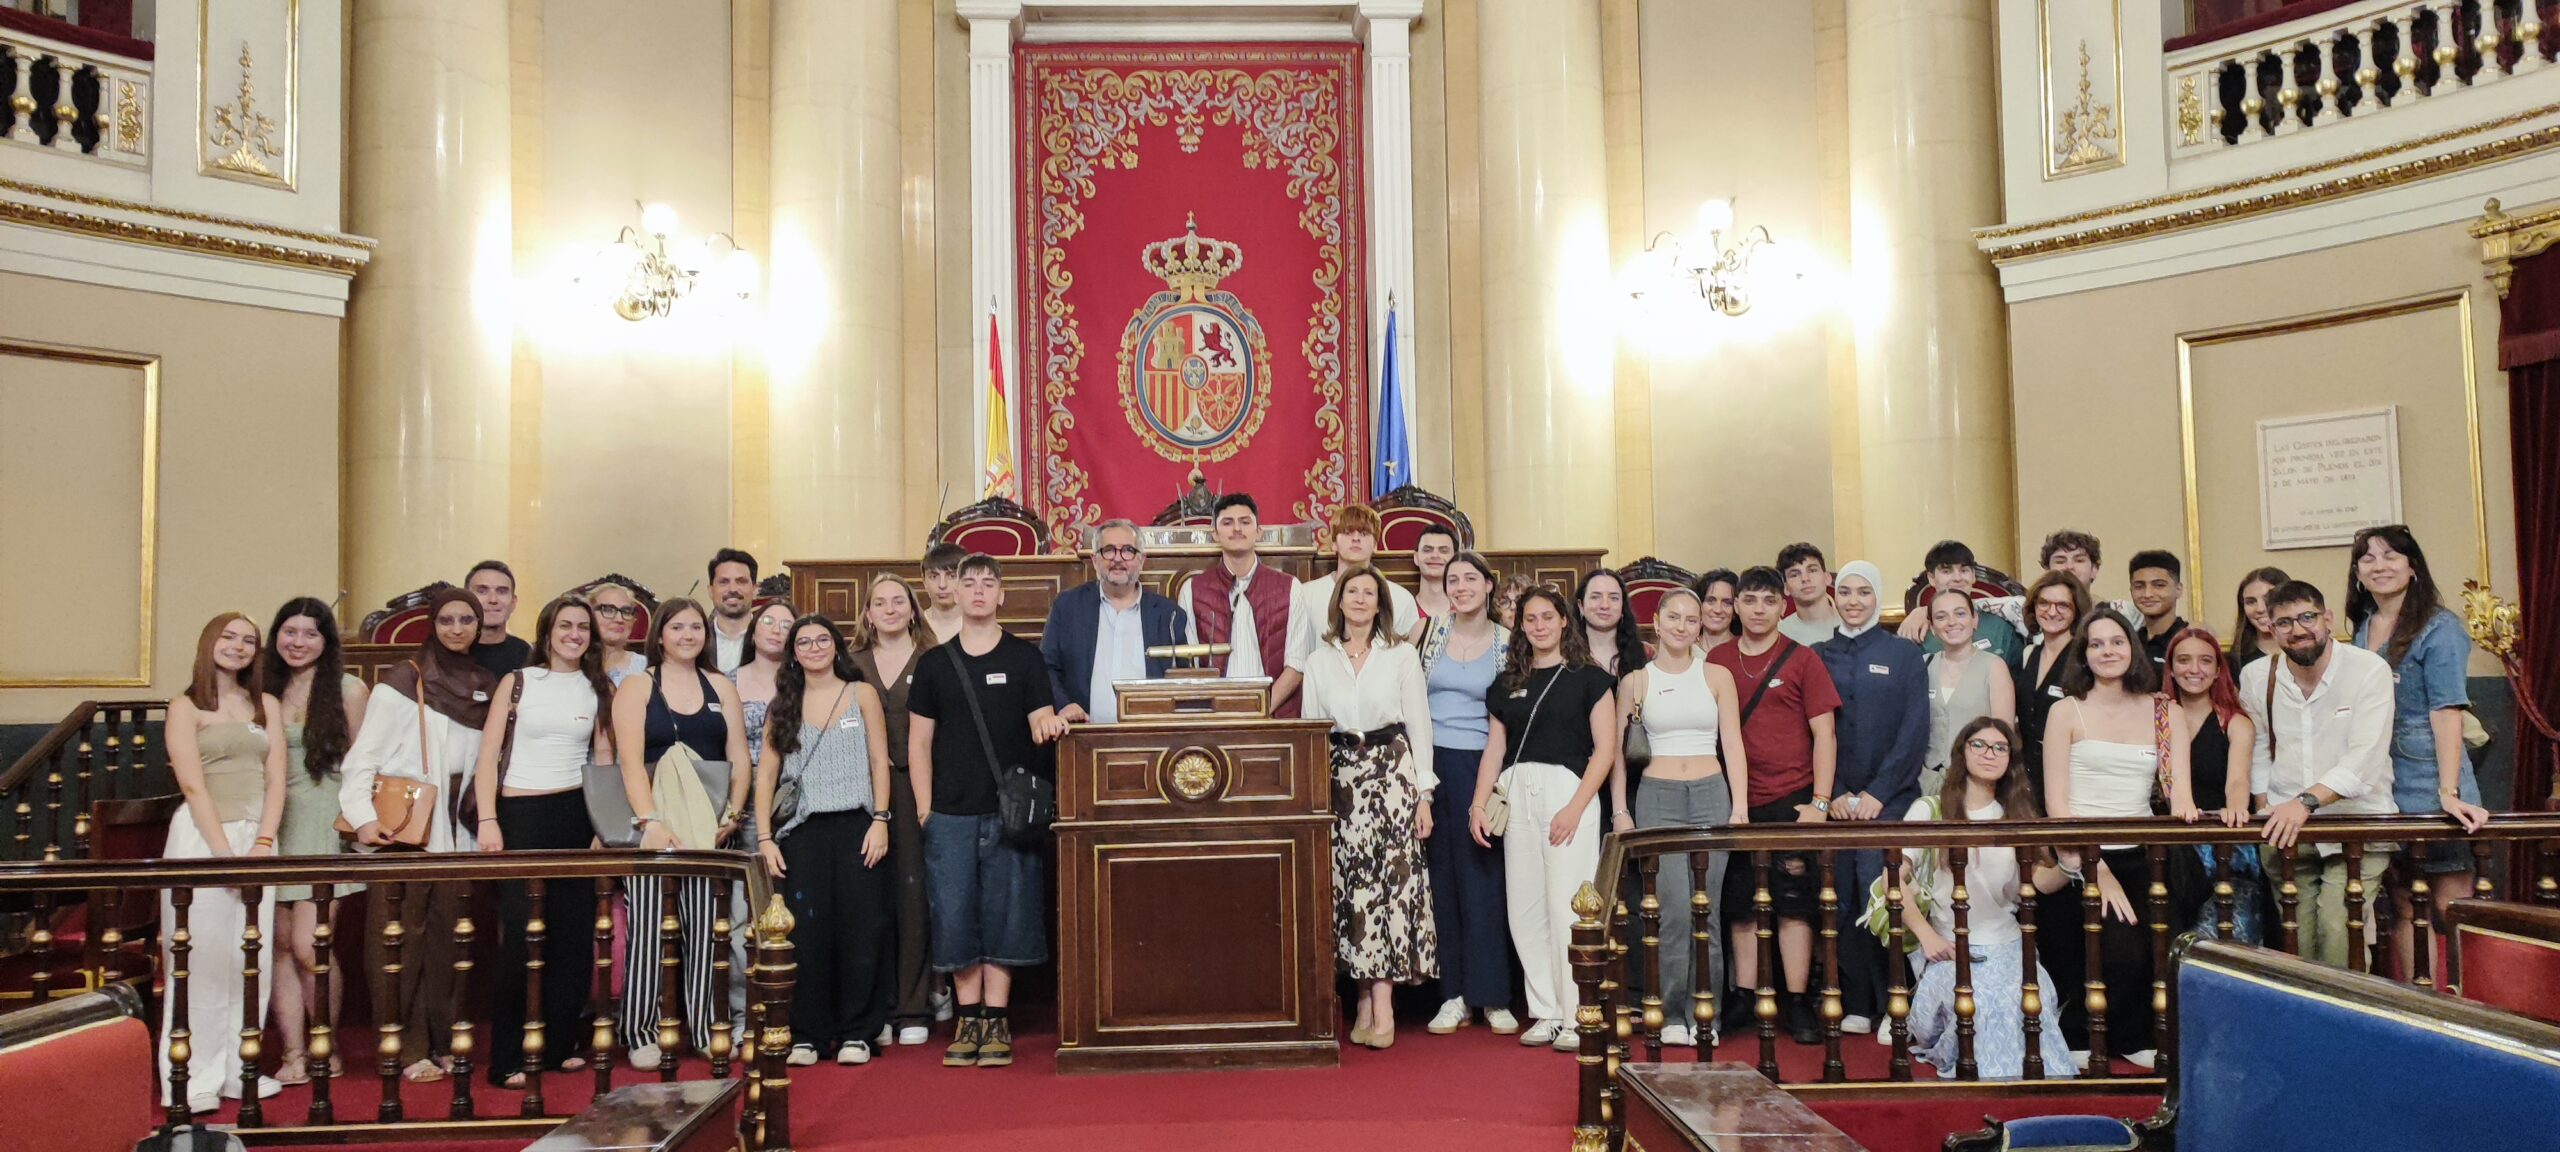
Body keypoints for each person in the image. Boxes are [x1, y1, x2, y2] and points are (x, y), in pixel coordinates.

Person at [909, 554, 1073, 1068]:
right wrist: (924, 810)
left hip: (1010, 814)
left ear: (1002, 595)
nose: (978, 590)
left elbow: (1039, 721)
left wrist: (1055, 722)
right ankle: (968, 1017)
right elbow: (919, 743)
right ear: (954, 594)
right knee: (954, 913)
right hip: (950, 813)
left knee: (1008, 914)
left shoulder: (1025, 659)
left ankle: (997, 1018)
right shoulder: (934, 664)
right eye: (969, 582)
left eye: (988, 583)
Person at [340, 588, 493, 1083]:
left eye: (466, 619)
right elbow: (363, 758)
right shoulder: (405, 680)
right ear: (433, 624)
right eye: (447, 620)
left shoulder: (483, 685)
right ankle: (404, 1047)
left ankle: (442, 1040)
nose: (457, 628)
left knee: (449, 945)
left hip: (456, 835)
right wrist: (363, 819)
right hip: (403, 831)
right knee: (399, 945)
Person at [2040, 608, 2196, 1069]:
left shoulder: (2165, 711)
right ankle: (2079, 1029)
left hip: (2144, 850)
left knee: (2159, 952)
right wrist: (2097, 869)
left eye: (2117, 641)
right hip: (2083, 851)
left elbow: (2180, 795)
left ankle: (2133, 1034)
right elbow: (2057, 805)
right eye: (2096, 644)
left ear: (2133, 648)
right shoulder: (2065, 711)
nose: (2107, 651)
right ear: (2083, 655)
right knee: (2119, 951)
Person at [1467, 587, 1619, 1053]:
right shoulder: (1507, 681)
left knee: (1567, 905)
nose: (1538, 626)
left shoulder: (1590, 678)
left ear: (1564, 621)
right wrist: (1478, 804)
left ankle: (1576, 1013)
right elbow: (1495, 748)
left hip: (1568, 791)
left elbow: (1606, 750)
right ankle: (1546, 1010)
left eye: (1547, 617)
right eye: (1530, 619)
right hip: (1518, 794)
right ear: (1521, 627)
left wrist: (1575, 806)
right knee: (1526, 907)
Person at [473, 595, 610, 1088]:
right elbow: (488, 757)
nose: (574, 634)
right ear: (547, 631)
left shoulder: (598, 688)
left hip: (576, 813)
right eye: (565, 625)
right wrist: (489, 819)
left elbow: (603, 761)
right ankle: (508, 1057)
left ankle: (557, 1045)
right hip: (521, 814)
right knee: (522, 938)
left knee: (573, 938)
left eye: (583, 627)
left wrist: (602, 826)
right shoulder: (518, 681)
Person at [1299, 568, 1440, 1048]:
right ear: (1339, 601)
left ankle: (1384, 1005)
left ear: (1381, 605)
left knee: (1388, 887)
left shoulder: (1401, 655)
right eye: (1352, 592)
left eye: (1370, 593)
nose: (1360, 599)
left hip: (1392, 776)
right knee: (1350, 890)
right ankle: (1361, 998)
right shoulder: (1319, 660)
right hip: (1340, 779)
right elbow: (1311, 728)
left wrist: (1424, 795)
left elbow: (1419, 726)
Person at [609, 598, 752, 1069]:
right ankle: (641, 1030)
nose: (687, 635)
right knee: (648, 929)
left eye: (695, 627)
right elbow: (629, 762)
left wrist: (734, 811)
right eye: (677, 627)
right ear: (660, 634)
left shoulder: (720, 686)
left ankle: (704, 1026)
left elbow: (739, 757)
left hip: (709, 827)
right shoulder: (637, 685)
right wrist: (649, 821)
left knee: (707, 932)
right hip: (654, 827)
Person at [2345, 525, 2493, 975]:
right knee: (2403, 902)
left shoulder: (2439, 626)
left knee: (2451, 904)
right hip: (2382, 780)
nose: (2380, 566)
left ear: (2413, 568)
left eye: (2391, 556)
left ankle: (2467, 1003)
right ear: (2357, 573)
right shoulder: (2364, 626)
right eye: (2368, 558)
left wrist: (2449, 792)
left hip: (2429, 776)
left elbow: (2447, 711)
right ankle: (2419, 1000)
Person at [1896, 718, 2080, 1081]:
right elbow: (1893, 879)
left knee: (2028, 1005)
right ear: (1962, 753)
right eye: (1978, 745)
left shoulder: (2017, 814)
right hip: (1949, 946)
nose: (1989, 754)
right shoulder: (1930, 809)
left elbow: (2039, 882)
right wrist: (1927, 936)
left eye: (1999, 747)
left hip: (2008, 944)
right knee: (1977, 1007)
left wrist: (2067, 865)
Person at [160, 613, 289, 1112]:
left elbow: (275, 780)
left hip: (257, 840)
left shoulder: (265, 704)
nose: (238, 646)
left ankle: (240, 1067)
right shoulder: (185, 706)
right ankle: (193, 1077)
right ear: (208, 641)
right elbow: (192, 785)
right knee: (200, 960)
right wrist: (223, 853)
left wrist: (262, 841)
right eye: (229, 637)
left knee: (249, 958)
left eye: (249, 641)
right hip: (203, 838)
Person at [756, 615, 896, 1067]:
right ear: (793, 653)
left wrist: (881, 819)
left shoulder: (861, 694)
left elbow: (879, 761)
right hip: (802, 833)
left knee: (862, 930)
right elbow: (766, 776)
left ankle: (859, 1032)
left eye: (822, 640)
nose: (814, 648)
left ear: (837, 646)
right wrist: (764, 837)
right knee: (807, 934)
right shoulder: (783, 706)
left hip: (859, 827)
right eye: (804, 642)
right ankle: (808, 1034)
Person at [1706, 566, 1838, 1044]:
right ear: (1735, 607)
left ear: (1783, 606)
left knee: (1793, 904)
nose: (1758, 609)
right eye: (1749, 600)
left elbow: (1825, 734)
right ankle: (1744, 995)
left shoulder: (1803, 659)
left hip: (1792, 797)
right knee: (1740, 902)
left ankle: (1797, 1000)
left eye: (1768, 601)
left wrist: (1820, 802)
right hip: (1734, 798)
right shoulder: (1717, 659)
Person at [1612, 588, 1749, 1048]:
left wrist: (1740, 806)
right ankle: (1671, 1011)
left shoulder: (1717, 675)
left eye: (1692, 619)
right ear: (1656, 620)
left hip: (1711, 793)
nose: (1682, 626)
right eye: (1674, 617)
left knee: (1706, 908)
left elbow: (1733, 743)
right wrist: (1621, 809)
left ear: (1700, 626)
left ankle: (1704, 1012)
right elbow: (1619, 755)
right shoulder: (1636, 681)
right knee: (1671, 910)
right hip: (1658, 796)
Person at [2239, 580, 2399, 969]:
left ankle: (2347, 1011)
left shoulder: (2368, 669)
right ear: (2271, 629)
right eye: (2285, 622)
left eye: (2307, 617)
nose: (2298, 629)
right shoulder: (2257, 676)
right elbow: (2258, 748)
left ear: (2327, 618)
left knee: (2338, 935)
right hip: (2286, 831)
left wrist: (2305, 802)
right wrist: (2265, 806)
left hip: (2356, 824)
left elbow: (2365, 759)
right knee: (2298, 948)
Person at [1814, 561, 1928, 1037]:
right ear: (1834, 597)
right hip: (1837, 803)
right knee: (1840, 899)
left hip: (1891, 801)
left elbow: (1914, 730)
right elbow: (1813, 732)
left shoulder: (1904, 654)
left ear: (1877, 597)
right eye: (1845, 591)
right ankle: (1858, 1001)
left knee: (1882, 894)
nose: (1854, 600)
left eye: (1864, 591)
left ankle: (1896, 1003)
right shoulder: (1816, 655)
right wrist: (1836, 793)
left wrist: (1879, 793)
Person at [261, 597, 366, 1087]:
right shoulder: (262, 689)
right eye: (290, 631)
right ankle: (294, 1052)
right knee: (279, 946)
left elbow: (365, 763)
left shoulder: (349, 689)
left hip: (323, 820)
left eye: (310, 633)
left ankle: (327, 1043)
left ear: (326, 642)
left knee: (310, 946)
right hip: (270, 822)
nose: (298, 642)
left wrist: (357, 824)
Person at [1419, 552, 1518, 1036]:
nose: (1460, 587)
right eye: (1452, 580)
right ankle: (1453, 994)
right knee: (1442, 880)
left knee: (1485, 881)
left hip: (1485, 766)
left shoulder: (1508, 643)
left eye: (1470, 579)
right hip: (1433, 766)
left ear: (1488, 585)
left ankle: (1492, 995)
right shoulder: (1427, 633)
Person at [849, 573, 943, 1045]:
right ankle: (877, 1008)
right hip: (858, 792)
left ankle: (913, 1006)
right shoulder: (850, 663)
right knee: (869, 900)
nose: (889, 609)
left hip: (917, 788)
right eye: (879, 602)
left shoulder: (933, 658)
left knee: (914, 897)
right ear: (867, 614)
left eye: (898, 601)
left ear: (912, 610)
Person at [2164, 627, 2264, 942]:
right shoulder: (2156, 718)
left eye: (2205, 661)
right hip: (2171, 845)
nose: (2194, 669)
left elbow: (2238, 780)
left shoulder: (2234, 722)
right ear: (2170, 668)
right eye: (2184, 660)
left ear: (2219, 670)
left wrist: (2235, 808)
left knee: (2224, 942)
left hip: (2221, 842)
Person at [727, 599, 797, 1036]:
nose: (775, 629)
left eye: (786, 624)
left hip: (798, 801)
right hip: (745, 804)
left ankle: (792, 1009)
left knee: (793, 908)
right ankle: (744, 1012)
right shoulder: (726, 681)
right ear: (753, 631)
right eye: (767, 621)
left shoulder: (804, 678)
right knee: (743, 912)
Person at [1042, 519, 1189, 724]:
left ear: (1141, 560)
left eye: (1128, 550)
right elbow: (1046, 666)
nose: (1118, 559)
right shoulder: (1068, 606)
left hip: (1150, 735)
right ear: (1094, 560)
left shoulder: (1169, 615)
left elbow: (1184, 679)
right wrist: (1064, 704)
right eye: (1109, 550)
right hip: (1084, 733)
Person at [1281, 504, 1419, 708]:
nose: (1356, 539)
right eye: (1347, 532)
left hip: (1383, 706)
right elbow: (1299, 659)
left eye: (1364, 533)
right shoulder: (1306, 594)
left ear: (1375, 544)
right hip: (1327, 704)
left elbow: (1410, 668)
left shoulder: (1401, 598)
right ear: (1334, 543)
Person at [1176, 494, 1300, 711]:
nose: (1236, 529)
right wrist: (1217, 712)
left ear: (1258, 532)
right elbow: (1190, 665)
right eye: (1227, 522)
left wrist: (1261, 710)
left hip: (1273, 717)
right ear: (1215, 534)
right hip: (1215, 717)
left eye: (1245, 522)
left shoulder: (1289, 587)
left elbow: (1296, 665)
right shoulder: (1193, 589)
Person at [1923, 587, 2016, 800]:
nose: (1952, 622)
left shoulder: (1994, 667)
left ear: (1974, 620)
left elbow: (2003, 735)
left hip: (1976, 785)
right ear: (1932, 627)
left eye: (1960, 613)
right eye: (1941, 617)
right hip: (1926, 783)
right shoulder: (1923, 665)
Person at [2012, 570, 2090, 794]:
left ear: (2076, 610)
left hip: (2070, 776)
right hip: (2027, 776)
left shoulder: (2085, 658)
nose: (2052, 611)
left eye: (2062, 605)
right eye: (2044, 603)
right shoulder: (2029, 654)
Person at [1896, 541, 2025, 666]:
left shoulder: (1999, 627)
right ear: (1932, 578)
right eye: (1947, 571)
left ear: (1973, 575)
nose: (1957, 578)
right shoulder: (1917, 629)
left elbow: (2019, 675)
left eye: (1964, 570)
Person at [1983, 530, 2136, 633]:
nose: (2069, 567)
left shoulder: (2122, 611)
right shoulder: (2021, 609)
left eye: (2079, 560)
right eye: (2060, 561)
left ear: (2094, 570)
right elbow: (1973, 604)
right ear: (2047, 570)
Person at [465, 560, 532, 681]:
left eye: (502, 591)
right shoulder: (449, 651)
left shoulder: (527, 655)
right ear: (465, 599)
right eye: (482, 591)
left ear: (513, 602)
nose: (493, 599)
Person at [1577, 568, 1644, 680]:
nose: (1605, 605)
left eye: (1614, 598)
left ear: (1623, 606)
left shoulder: (1645, 653)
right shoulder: (1564, 655)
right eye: (1595, 597)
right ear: (1581, 606)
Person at [2126, 550, 2188, 671]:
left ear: (2178, 589)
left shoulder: (2190, 640)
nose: (2147, 594)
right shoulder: (2128, 644)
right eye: (2139, 586)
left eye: (2159, 585)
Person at [707, 548, 761, 673]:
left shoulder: (770, 640)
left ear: (755, 590)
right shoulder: (697, 641)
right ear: (710, 591)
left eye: (741, 582)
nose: (732, 589)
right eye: (723, 582)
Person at [2228, 566, 2291, 672]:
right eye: (2251, 602)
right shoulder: (2236, 659)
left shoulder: (2306, 650)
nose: (2260, 609)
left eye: (2268, 599)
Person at [1776, 543, 1841, 646]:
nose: (1805, 578)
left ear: (1827, 578)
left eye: (1812, 570)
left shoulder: (1852, 624)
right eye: (1794, 575)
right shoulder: (1778, 635)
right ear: (1786, 588)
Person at [588, 581, 650, 686]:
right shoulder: (572, 665)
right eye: (608, 610)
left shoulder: (647, 667)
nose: (619, 619)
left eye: (626, 611)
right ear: (589, 615)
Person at [1412, 524, 1461, 625]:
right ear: (1416, 558)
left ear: (1455, 558)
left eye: (1443, 551)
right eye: (1427, 550)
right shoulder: (1403, 609)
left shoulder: (1466, 611)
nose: (1435, 555)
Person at [921, 541, 969, 646]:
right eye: (934, 577)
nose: (942, 585)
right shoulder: (913, 629)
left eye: (952, 576)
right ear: (924, 581)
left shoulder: (984, 629)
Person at [1693, 568, 1739, 652]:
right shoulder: (1684, 648)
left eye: (1727, 603)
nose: (1718, 610)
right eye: (1710, 601)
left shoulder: (1743, 651)